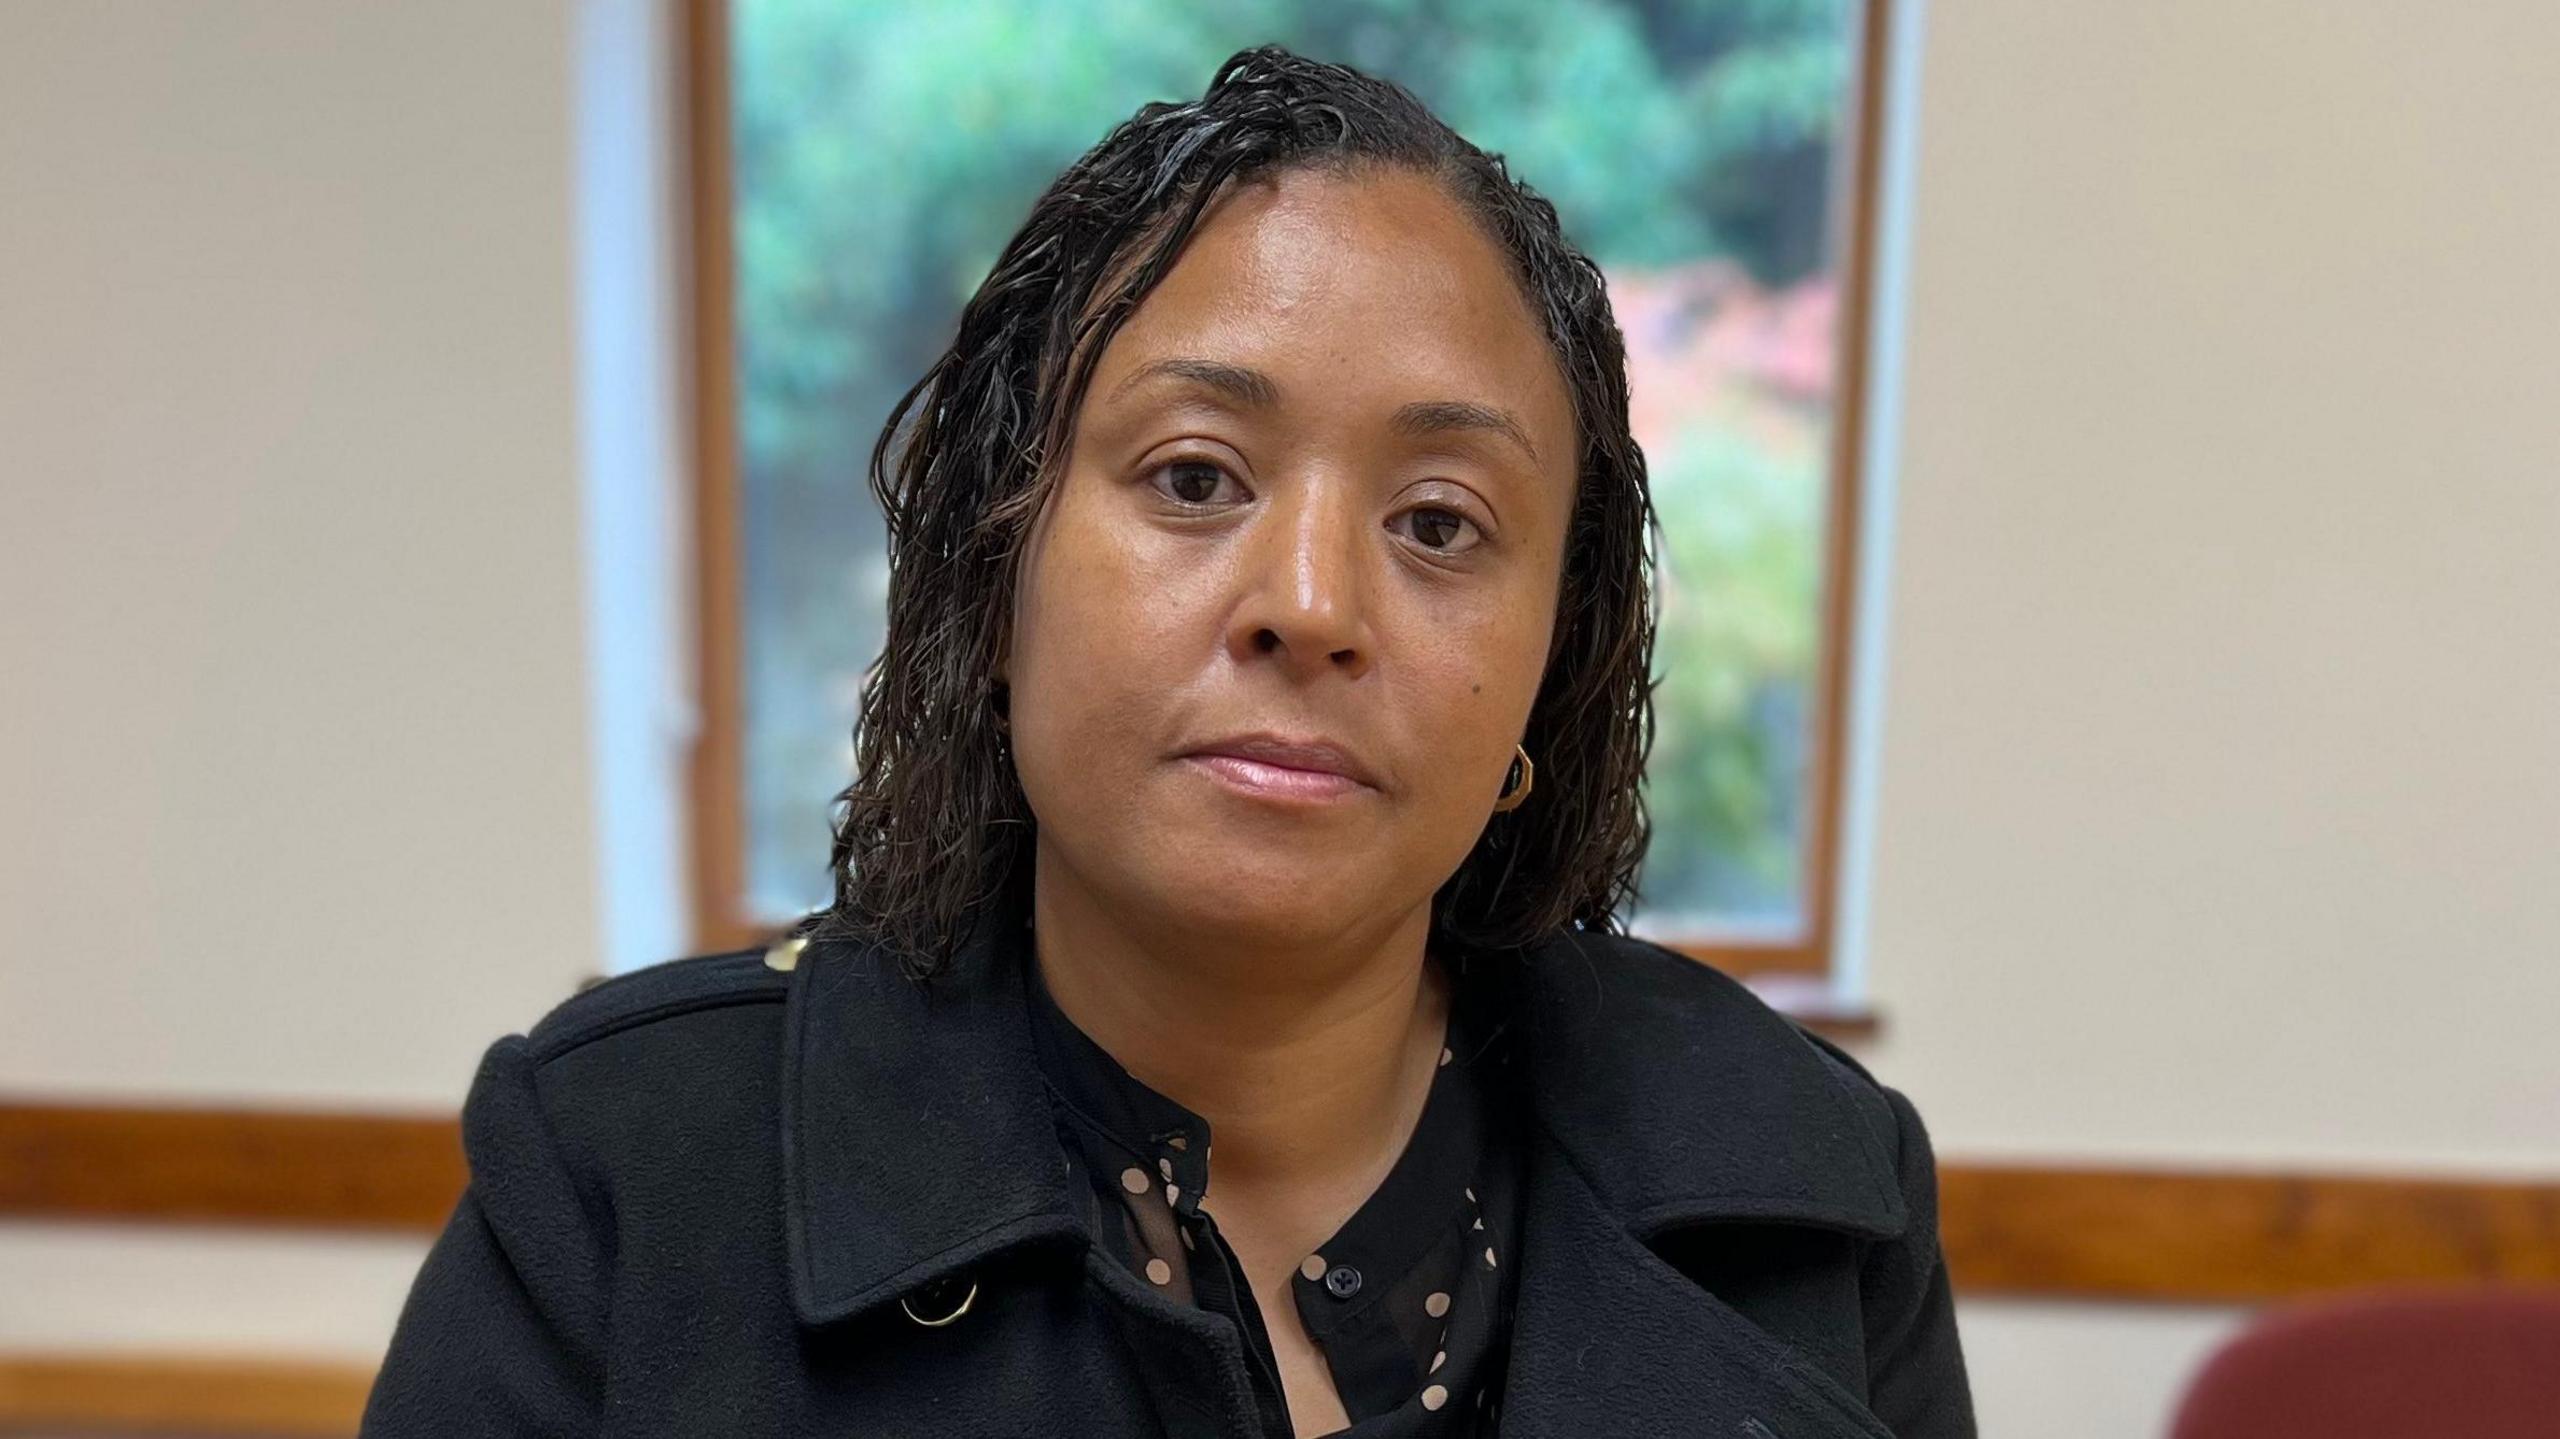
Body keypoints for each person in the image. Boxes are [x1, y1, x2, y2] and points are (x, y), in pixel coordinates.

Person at [362, 43, 1975, 1439]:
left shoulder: (1819, 1204)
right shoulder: (621, 1186)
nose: (1311, 602)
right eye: (1196, 477)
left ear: (1553, 671)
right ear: (998, 577)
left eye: (1438, 521)